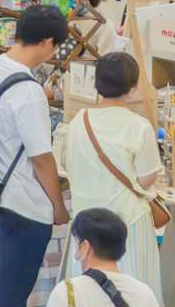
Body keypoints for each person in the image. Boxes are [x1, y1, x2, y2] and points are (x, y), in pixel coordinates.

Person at [0, 4, 72, 307]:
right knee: (11, 299)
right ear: (46, 42)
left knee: (0, 290)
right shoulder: (28, 91)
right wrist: (58, 207)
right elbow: (41, 159)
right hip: (23, 207)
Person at [54, 55, 164, 293]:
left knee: (85, 298)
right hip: (128, 227)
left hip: (85, 226)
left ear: (96, 83)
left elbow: (68, 165)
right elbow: (147, 179)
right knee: (130, 299)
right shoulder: (139, 126)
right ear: (133, 88)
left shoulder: (77, 122)